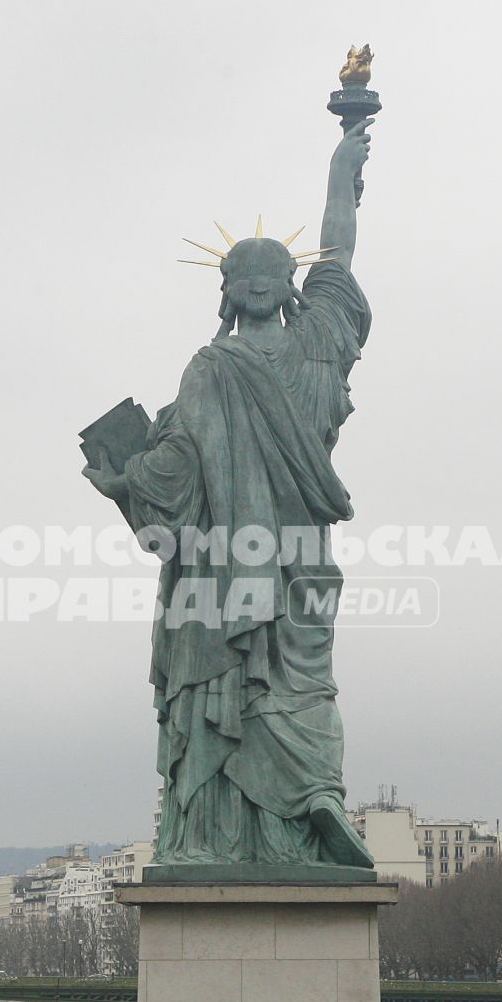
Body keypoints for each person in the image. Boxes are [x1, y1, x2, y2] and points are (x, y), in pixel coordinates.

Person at [81, 117, 380, 872]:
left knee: (228, 688)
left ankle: (220, 836)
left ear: (226, 296)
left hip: (218, 578)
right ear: (289, 291)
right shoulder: (321, 347)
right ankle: (317, 794)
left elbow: (168, 490)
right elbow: (339, 249)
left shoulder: (207, 373)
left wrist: (121, 477)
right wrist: (344, 166)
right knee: (306, 682)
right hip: (303, 560)